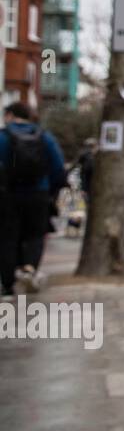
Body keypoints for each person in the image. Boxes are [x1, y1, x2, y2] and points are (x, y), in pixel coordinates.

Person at [0, 101, 67, 296]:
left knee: (7, 237)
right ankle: (29, 267)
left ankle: (7, 282)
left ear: (10, 115)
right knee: (35, 234)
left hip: (8, 195)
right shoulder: (44, 137)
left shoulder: (3, 137)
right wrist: (51, 190)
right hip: (39, 192)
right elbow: (57, 167)